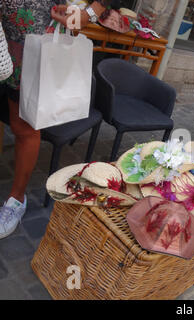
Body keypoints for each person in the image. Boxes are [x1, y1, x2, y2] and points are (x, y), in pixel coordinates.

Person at [0, 0, 113, 239]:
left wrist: (89, 14)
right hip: (3, 41)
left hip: (34, 50)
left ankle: (16, 201)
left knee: (24, 130)